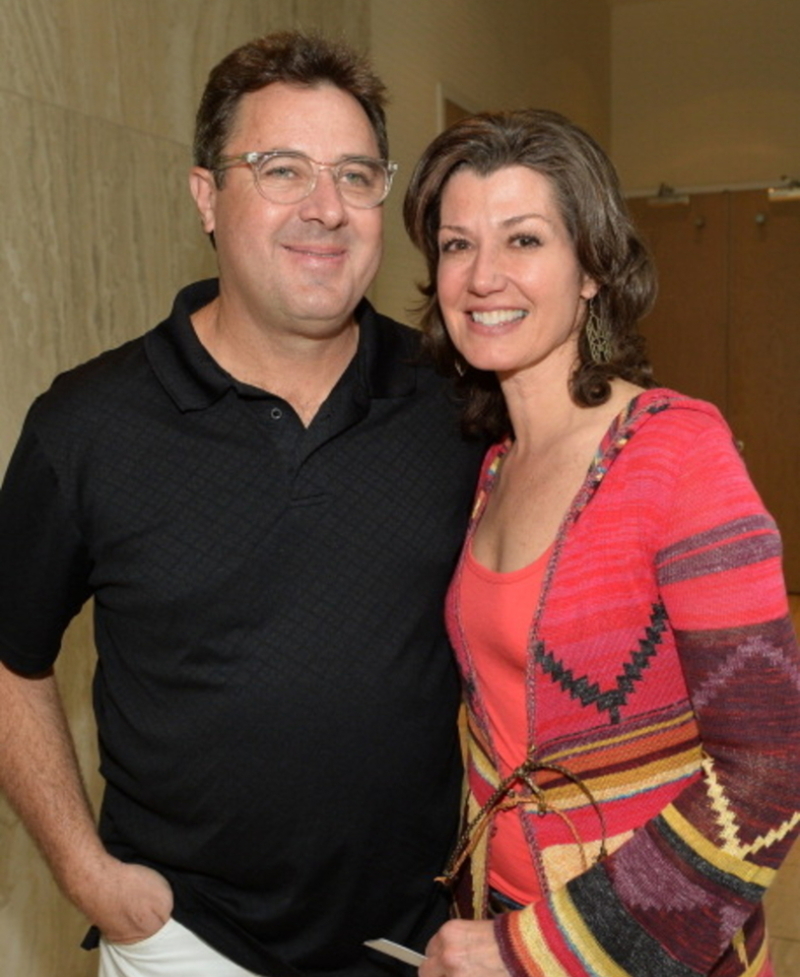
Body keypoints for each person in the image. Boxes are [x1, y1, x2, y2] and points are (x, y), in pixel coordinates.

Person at [0, 31, 486, 977]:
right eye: (281, 169)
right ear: (206, 197)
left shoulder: (457, 406)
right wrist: (89, 874)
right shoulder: (88, 424)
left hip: (413, 944)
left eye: (356, 174)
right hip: (186, 942)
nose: (326, 209)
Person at [402, 108, 800, 977]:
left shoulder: (675, 452)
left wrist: (538, 949)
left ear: (591, 269)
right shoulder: (494, 470)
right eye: (457, 244)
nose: (484, 276)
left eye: (525, 240)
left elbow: (769, 770)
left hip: (658, 949)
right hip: (496, 923)